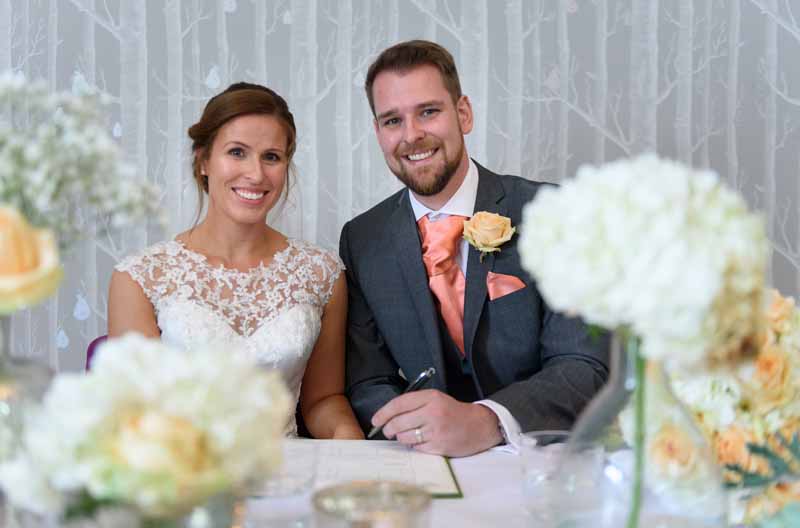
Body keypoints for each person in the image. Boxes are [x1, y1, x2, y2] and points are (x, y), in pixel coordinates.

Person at [340, 41, 608, 457]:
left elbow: (584, 366)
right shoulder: (362, 239)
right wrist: (417, 430)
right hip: (422, 468)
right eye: (393, 120)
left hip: (542, 462)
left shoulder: (557, 214)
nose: (411, 135)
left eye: (428, 111)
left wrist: (488, 421)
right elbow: (366, 383)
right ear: (378, 132)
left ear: (463, 113)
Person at [109, 82, 364, 440]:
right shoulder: (140, 277)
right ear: (203, 161)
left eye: (271, 157)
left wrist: (351, 447)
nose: (256, 174)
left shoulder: (322, 274)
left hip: (289, 477)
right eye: (237, 152)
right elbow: (134, 417)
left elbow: (322, 401)